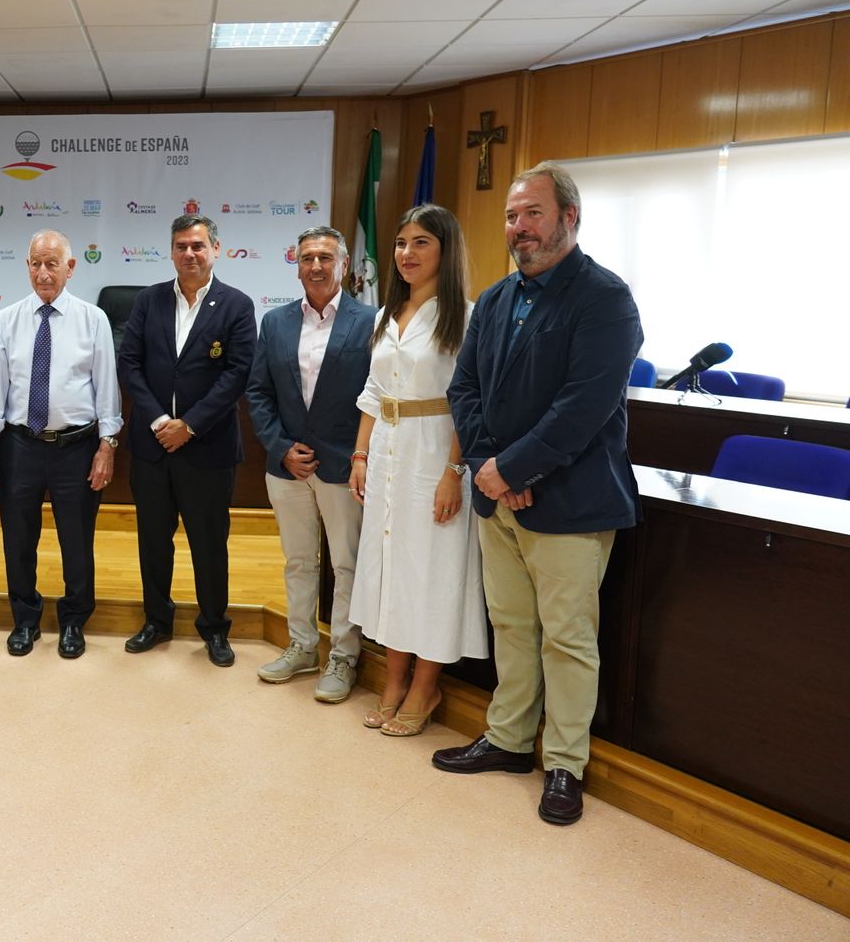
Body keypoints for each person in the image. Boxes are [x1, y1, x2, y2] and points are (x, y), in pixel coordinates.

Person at [435, 161, 643, 827]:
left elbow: (583, 408)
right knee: (512, 628)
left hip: (572, 505)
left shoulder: (606, 299)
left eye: (532, 214)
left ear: (568, 219)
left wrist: (511, 470)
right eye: (510, 216)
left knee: (568, 638)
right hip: (501, 499)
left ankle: (564, 764)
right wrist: (493, 468)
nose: (517, 227)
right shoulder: (496, 299)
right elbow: (464, 390)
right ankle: (507, 740)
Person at [347, 204, 486, 737]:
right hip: (385, 449)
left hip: (436, 454)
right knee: (388, 566)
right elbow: (373, 393)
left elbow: (467, 400)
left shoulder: (465, 316)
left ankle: (425, 687)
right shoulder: (386, 314)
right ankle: (393, 679)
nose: (406, 253)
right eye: (401, 242)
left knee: (431, 569)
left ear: (445, 251)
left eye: (421, 242)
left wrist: (455, 468)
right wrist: (360, 456)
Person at [0, 229, 121, 659]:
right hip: (21, 446)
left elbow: (107, 391)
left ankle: (74, 621)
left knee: (76, 540)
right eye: (35, 263)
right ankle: (25, 619)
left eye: (52, 263)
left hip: (76, 447)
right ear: (27, 266)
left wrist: (106, 446)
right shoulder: (8, 319)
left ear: (70, 267)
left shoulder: (93, 319)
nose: (43, 272)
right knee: (18, 539)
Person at [118, 215, 256, 667]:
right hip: (152, 447)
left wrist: (189, 425)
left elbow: (236, 374)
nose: (190, 254)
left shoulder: (236, 305)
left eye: (198, 245)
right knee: (153, 541)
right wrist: (160, 420)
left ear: (216, 249)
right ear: (172, 252)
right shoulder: (149, 300)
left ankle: (214, 628)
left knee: (209, 544)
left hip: (208, 449)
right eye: (181, 246)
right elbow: (130, 364)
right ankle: (156, 621)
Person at [246, 227, 375, 701]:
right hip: (287, 464)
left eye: (325, 257)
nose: (316, 266)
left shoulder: (370, 321)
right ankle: (302, 646)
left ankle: (343, 656)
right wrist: (280, 446)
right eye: (306, 258)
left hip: (343, 464)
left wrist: (358, 454)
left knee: (346, 563)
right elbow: (258, 391)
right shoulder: (275, 322)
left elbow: (374, 397)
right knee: (299, 562)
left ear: (343, 265)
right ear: (296, 265)